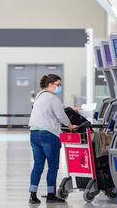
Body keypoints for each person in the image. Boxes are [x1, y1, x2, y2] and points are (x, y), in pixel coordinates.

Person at [28, 74, 78, 204]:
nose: (59, 87)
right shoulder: (53, 98)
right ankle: (51, 195)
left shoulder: (40, 95)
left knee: (38, 165)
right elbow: (61, 115)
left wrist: (71, 108)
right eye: (58, 84)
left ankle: (33, 195)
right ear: (50, 85)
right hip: (48, 135)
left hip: (34, 133)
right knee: (53, 166)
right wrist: (70, 125)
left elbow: (53, 106)